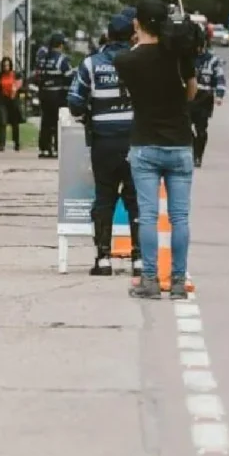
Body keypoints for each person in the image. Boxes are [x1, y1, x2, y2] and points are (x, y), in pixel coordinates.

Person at [114, 0, 200, 300]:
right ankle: (178, 281)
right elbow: (191, 92)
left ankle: (149, 280)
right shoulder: (179, 57)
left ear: (137, 24)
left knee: (148, 216)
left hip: (145, 142)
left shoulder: (126, 60)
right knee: (180, 217)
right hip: (179, 143)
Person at [67, 15, 141, 277]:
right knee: (135, 199)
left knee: (104, 197)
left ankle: (103, 259)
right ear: (133, 34)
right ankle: (139, 260)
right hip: (136, 140)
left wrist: (89, 116)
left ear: (108, 35)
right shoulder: (141, 61)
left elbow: (75, 103)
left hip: (104, 141)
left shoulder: (90, 64)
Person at [34, 33, 73, 158]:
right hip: (57, 95)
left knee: (45, 121)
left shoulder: (43, 59)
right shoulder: (62, 59)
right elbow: (69, 77)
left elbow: (38, 76)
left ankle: (44, 149)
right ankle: (57, 148)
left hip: (44, 94)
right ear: (61, 45)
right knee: (57, 122)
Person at [189, 41, 226, 167]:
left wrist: (219, 95)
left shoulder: (213, 60)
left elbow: (220, 78)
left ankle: (198, 156)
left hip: (204, 98)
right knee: (184, 128)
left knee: (201, 130)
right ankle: (192, 149)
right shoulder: (186, 58)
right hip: (187, 97)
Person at [0, 56, 23, 151]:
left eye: (7, 65)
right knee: (2, 122)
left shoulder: (15, 75)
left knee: (14, 123)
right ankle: (1, 145)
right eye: (4, 65)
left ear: (10, 66)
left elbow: (21, 87)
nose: (6, 67)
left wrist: (18, 89)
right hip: (3, 101)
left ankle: (17, 143)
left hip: (13, 101)